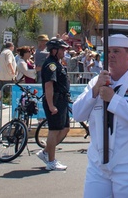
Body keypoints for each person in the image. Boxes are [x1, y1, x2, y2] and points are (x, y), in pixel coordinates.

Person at [71, 34, 128, 197]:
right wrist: (94, 92)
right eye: (108, 51)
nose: (111, 56)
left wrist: (114, 99)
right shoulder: (96, 81)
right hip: (99, 163)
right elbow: (78, 114)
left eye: (116, 51)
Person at [39, 37, 72, 171]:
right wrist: (51, 105)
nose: (64, 51)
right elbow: (49, 86)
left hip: (62, 100)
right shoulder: (50, 65)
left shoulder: (57, 63)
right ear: (54, 50)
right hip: (55, 100)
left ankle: (46, 152)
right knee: (54, 130)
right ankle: (51, 162)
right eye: (62, 49)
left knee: (65, 128)